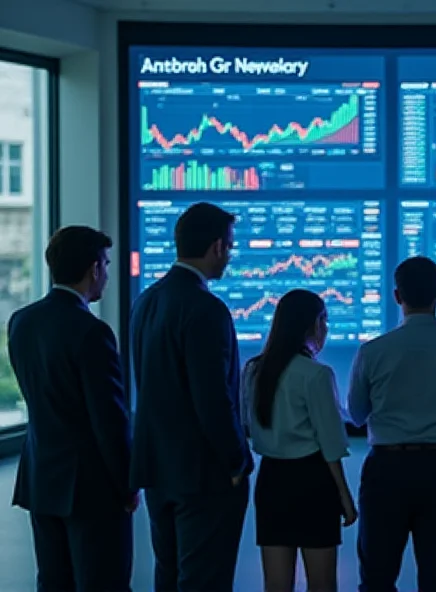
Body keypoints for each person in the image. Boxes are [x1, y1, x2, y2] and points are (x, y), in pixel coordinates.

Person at [347, 256, 436, 592]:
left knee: (377, 577)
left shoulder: (371, 352)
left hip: (386, 469)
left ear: (397, 297)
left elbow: (356, 415)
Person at [130, 202, 253, 591]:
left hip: (158, 469)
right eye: (230, 247)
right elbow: (213, 398)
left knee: (169, 574)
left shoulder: (146, 301)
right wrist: (236, 461)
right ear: (216, 246)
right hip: (204, 474)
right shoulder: (206, 309)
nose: (230, 256)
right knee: (205, 580)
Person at [8, 226, 136, 591]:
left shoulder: (22, 322)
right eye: (106, 266)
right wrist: (127, 484)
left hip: (41, 478)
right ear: (94, 269)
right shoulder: (91, 331)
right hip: (91, 488)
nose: (107, 276)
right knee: (103, 583)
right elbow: (108, 419)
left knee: (53, 582)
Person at [241, 289, 357, 592]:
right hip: (313, 481)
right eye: (325, 321)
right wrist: (344, 496)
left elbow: (248, 425)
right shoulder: (316, 374)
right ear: (314, 324)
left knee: (276, 585)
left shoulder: (254, 370)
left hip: (271, 481)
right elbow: (331, 444)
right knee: (321, 585)